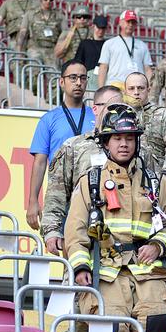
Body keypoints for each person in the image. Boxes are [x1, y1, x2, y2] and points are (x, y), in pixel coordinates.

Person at [64, 104, 166, 332]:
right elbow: (75, 233)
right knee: (110, 323)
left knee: (156, 322)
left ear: (137, 141)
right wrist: (80, 267)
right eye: (117, 138)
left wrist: (158, 245)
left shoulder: (157, 182)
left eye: (129, 138)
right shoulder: (90, 182)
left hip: (149, 270)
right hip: (106, 270)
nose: (123, 143)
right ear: (105, 143)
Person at [41, 84, 127, 253]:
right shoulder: (74, 147)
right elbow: (56, 193)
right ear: (95, 109)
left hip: (123, 241)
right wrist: (51, 231)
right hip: (81, 237)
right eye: (111, 107)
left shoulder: (134, 148)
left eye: (121, 108)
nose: (117, 113)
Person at [27, 60, 95, 230]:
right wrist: (33, 201)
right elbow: (40, 162)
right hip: (61, 195)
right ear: (62, 82)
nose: (78, 82)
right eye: (73, 77)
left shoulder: (97, 116)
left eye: (82, 78)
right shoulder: (48, 119)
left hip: (93, 192)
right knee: (63, 246)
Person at [122, 72, 166, 182]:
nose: (136, 92)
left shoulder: (164, 115)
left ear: (148, 89)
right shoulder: (119, 116)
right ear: (125, 91)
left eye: (140, 88)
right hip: (125, 181)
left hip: (157, 179)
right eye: (131, 89)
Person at [96, 10, 152, 87]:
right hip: (115, 86)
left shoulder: (142, 45)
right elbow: (103, 67)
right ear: (120, 22)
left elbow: (148, 69)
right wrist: (101, 89)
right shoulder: (109, 43)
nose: (130, 25)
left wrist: (149, 88)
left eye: (133, 22)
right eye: (128, 21)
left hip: (136, 87)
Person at [16, 0, 63, 68]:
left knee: (54, 75)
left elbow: (65, 34)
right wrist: (19, 50)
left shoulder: (59, 16)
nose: (48, 1)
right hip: (35, 48)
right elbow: (22, 33)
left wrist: (59, 48)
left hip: (52, 50)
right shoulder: (30, 14)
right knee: (34, 71)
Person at [74, 15, 108, 89]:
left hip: (104, 77)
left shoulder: (109, 44)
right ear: (93, 26)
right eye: (99, 27)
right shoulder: (85, 43)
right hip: (88, 78)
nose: (101, 31)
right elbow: (78, 62)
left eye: (103, 28)